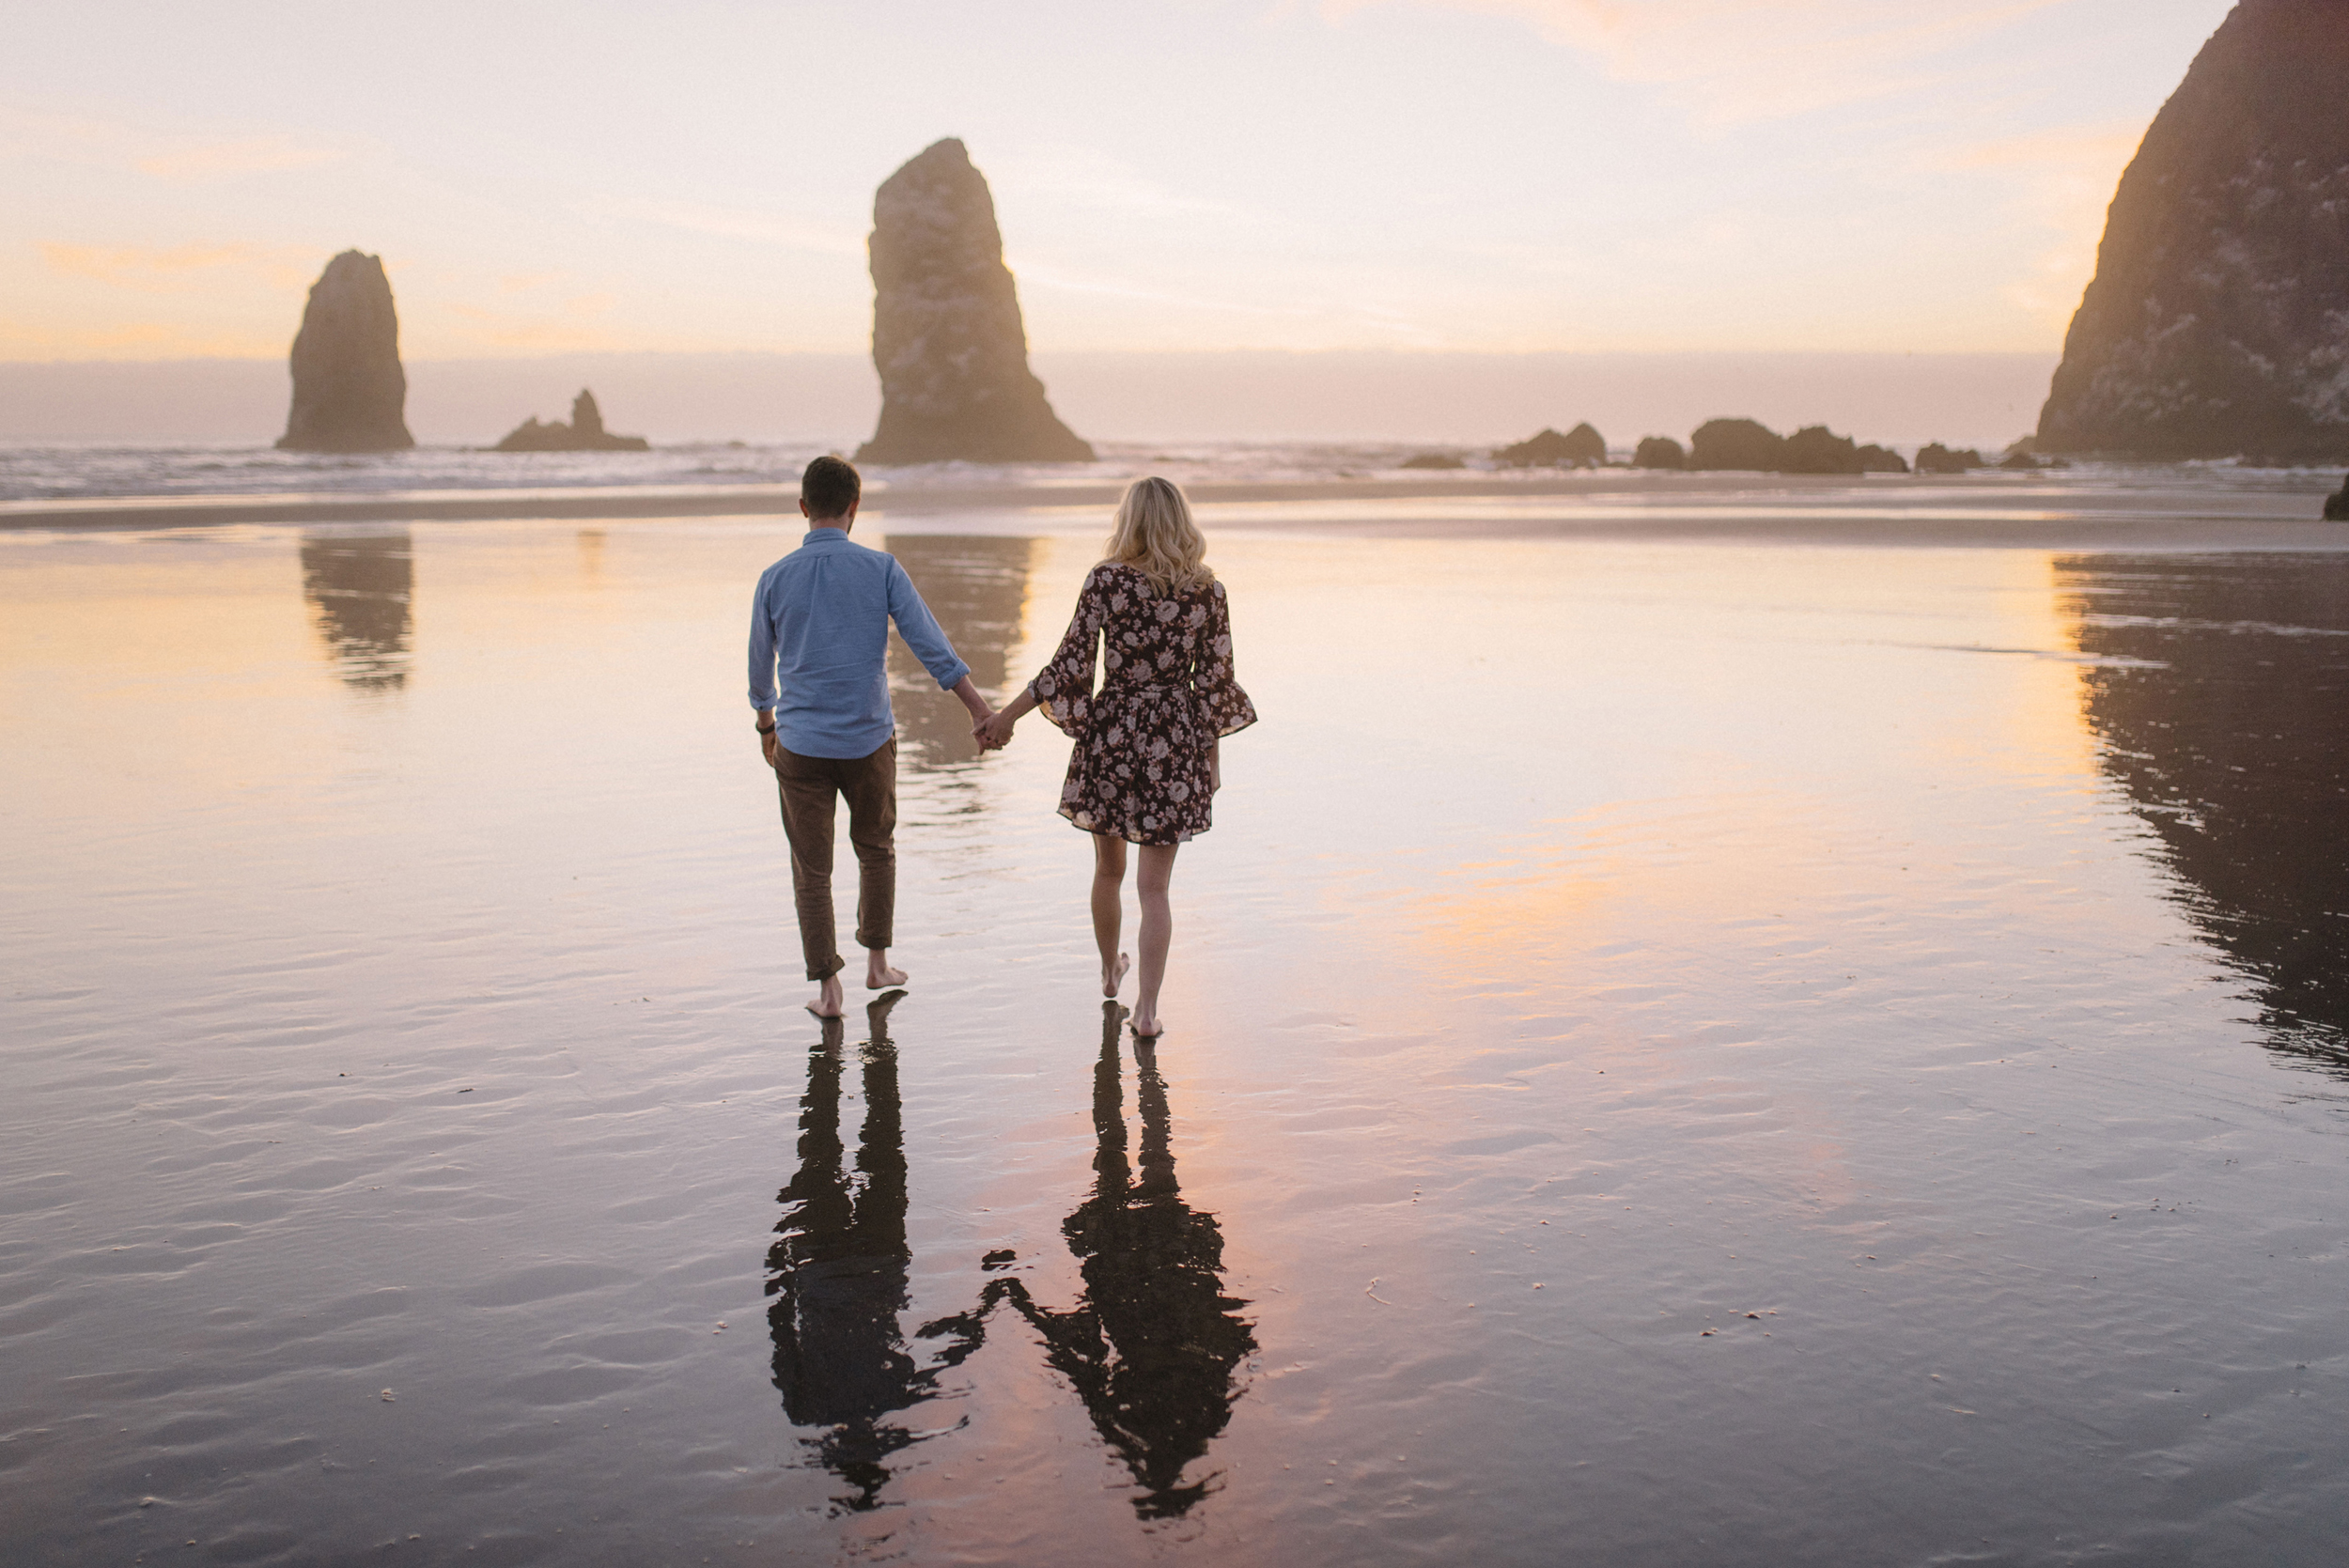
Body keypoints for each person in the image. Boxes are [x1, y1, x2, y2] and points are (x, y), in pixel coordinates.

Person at [976, 476, 1255, 1037]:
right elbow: (1215, 686)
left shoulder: (1106, 581)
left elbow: (1068, 665)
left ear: (1129, 520)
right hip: (1176, 741)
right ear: (1181, 521)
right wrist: (1213, 762)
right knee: (1156, 890)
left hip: (1113, 736)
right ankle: (1148, 1013)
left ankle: (1110, 972)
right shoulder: (1208, 592)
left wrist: (1004, 718)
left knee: (1108, 869)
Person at [749, 456, 994, 1016]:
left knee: (813, 870)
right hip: (868, 740)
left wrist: (767, 725)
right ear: (854, 509)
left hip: (801, 743)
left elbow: (760, 669)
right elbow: (932, 647)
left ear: (804, 507)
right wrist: (978, 710)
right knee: (876, 850)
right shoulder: (881, 568)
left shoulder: (774, 577)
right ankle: (877, 963)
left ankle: (828, 992)